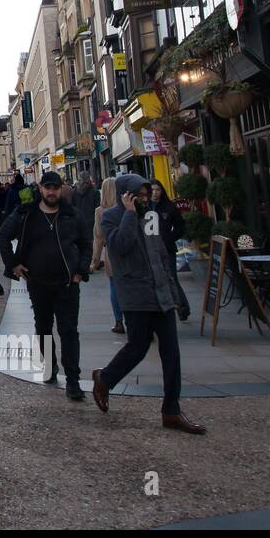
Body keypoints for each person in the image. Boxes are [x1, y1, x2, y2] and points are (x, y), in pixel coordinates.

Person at [91, 175, 205, 434]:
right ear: (125, 195)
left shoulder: (151, 216)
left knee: (171, 353)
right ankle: (105, 378)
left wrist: (172, 291)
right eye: (138, 195)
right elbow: (120, 246)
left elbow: (160, 253)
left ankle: (171, 411)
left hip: (160, 294)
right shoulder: (110, 217)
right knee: (138, 347)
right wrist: (130, 215)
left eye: (146, 194)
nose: (144, 199)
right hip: (135, 295)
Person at [0, 171, 92, 401]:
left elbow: (86, 244)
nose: (51, 192)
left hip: (67, 284)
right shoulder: (27, 214)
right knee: (43, 328)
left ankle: (73, 380)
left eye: (55, 188)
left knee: (69, 331)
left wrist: (80, 271)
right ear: (40, 189)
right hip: (38, 284)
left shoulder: (72, 215)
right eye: (47, 188)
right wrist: (14, 265)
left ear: (61, 189)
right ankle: (50, 366)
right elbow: (2, 236)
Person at [150, 179, 191, 320]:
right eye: (152, 190)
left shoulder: (168, 207)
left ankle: (183, 308)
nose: (155, 193)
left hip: (167, 249)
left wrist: (169, 238)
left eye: (158, 190)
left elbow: (180, 226)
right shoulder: (144, 208)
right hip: (151, 250)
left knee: (172, 278)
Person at [91, 177, 123, 333]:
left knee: (114, 287)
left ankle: (119, 322)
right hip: (129, 251)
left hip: (111, 252)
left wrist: (94, 261)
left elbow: (98, 238)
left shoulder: (100, 211)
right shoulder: (125, 208)